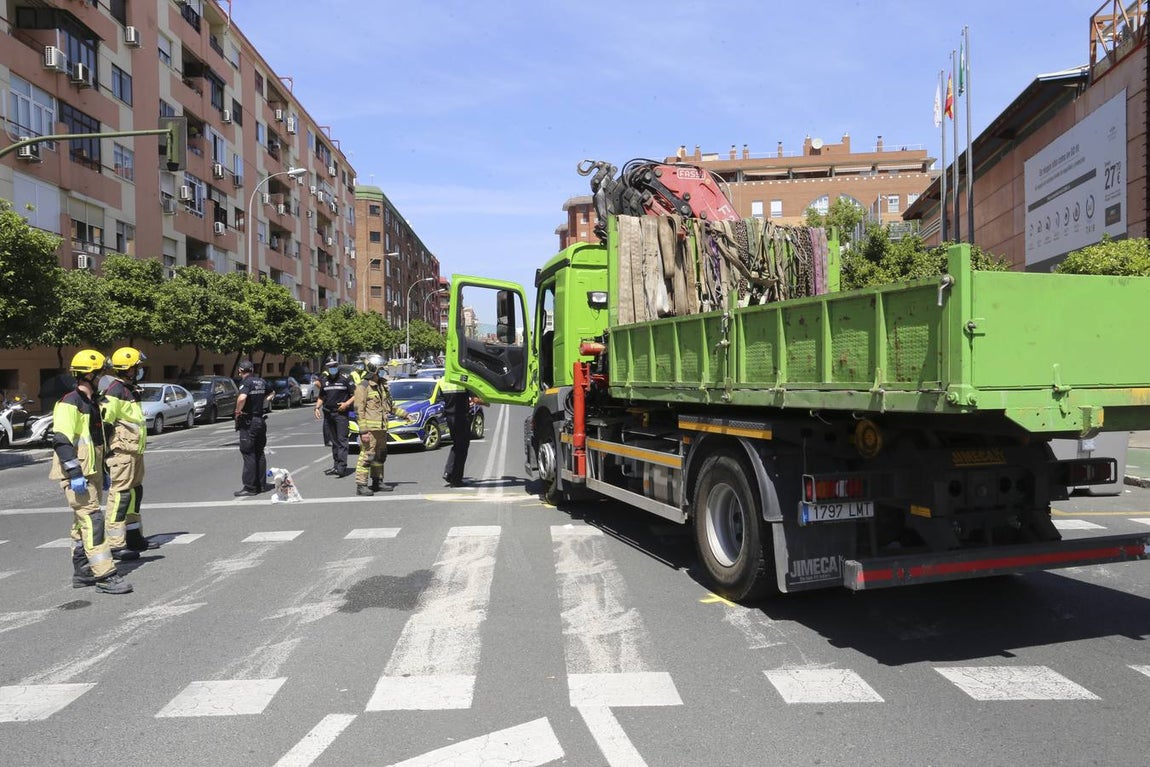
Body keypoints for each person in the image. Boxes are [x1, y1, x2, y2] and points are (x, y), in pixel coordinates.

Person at [50, 350, 132, 594]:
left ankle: (83, 569)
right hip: (78, 472)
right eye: (100, 374)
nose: (103, 379)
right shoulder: (70, 402)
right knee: (92, 519)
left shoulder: (92, 402)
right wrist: (74, 471)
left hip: (92, 470)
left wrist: (103, 466)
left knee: (80, 522)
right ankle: (105, 574)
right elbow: (61, 439)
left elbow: (96, 438)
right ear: (89, 375)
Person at [101, 346, 156, 559]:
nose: (140, 370)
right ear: (129, 369)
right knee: (121, 496)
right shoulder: (115, 390)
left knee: (135, 493)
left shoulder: (130, 389)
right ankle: (116, 544)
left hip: (135, 451)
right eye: (137, 366)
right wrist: (106, 455)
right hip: (122, 452)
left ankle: (133, 537)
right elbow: (105, 423)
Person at [352, 354, 407, 496]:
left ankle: (377, 481)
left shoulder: (382, 385)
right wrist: (363, 431)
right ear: (373, 369)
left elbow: (389, 406)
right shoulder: (363, 387)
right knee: (367, 456)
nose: (384, 370)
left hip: (382, 429)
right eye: (381, 368)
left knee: (380, 456)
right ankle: (361, 485)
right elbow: (359, 410)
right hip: (370, 430)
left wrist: (405, 415)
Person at [233, 359, 269, 496]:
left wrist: (238, 411)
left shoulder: (246, 382)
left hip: (249, 421)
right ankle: (261, 485)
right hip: (260, 420)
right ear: (252, 370)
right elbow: (271, 393)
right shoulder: (260, 381)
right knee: (260, 452)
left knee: (248, 453)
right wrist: (260, 402)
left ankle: (250, 487)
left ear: (240, 371)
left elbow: (242, 398)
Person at [314, 356, 354, 477]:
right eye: (330, 367)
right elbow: (322, 397)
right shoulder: (325, 380)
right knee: (334, 441)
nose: (332, 369)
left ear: (337, 367)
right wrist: (316, 407)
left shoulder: (345, 379)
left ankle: (342, 467)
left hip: (341, 414)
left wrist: (346, 404)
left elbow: (355, 394)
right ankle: (336, 465)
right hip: (328, 414)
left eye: (334, 367)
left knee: (342, 441)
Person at [442, 381, 483, 488]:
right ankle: (456, 480)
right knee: (462, 448)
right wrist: (487, 403)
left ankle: (449, 472)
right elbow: (475, 399)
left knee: (457, 446)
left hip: (449, 418)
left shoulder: (443, 381)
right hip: (461, 418)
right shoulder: (463, 382)